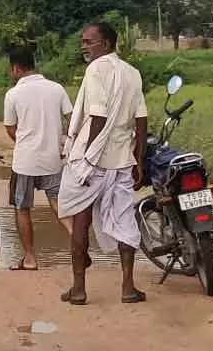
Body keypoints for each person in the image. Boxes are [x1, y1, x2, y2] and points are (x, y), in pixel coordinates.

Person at [57, 21, 148, 305]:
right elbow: (141, 120)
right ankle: (128, 288)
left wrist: (87, 157)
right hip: (121, 161)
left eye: (88, 42)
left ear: (106, 44)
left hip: (92, 161)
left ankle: (79, 289)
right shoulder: (133, 73)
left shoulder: (95, 69)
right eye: (83, 42)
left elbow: (97, 115)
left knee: (80, 222)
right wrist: (139, 161)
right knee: (124, 223)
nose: (84, 47)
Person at [3, 46, 74, 270]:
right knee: (58, 204)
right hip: (53, 159)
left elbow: (10, 129)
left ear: (16, 68)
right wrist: (64, 144)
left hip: (25, 162)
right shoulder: (56, 89)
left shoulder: (13, 94)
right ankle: (78, 241)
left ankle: (30, 258)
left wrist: (26, 142)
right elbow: (72, 119)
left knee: (22, 208)